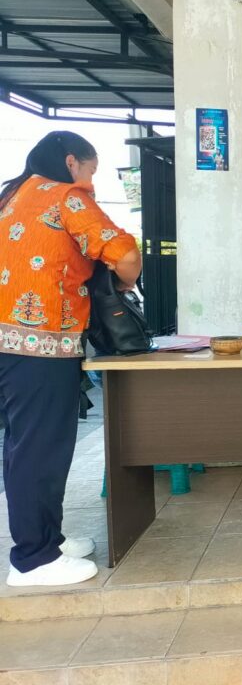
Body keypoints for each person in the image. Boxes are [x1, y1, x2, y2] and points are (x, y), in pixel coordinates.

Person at [1, 131, 142, 586]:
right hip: (42, 341)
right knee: (41, 449)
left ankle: (49, 540)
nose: (91, 182)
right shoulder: (66, 197)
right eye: (91, 171)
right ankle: (33, 559)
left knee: (25, 444)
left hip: (9, 343)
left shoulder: (12, 196)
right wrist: (123, 283)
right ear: (71, 162)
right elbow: (125, 254)